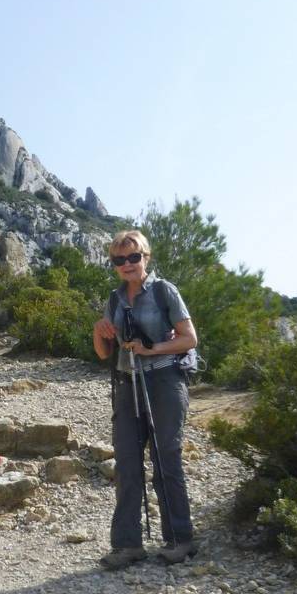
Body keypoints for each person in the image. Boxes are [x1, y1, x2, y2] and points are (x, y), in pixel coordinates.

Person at [93, 229, 198, 567]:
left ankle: (180, 539)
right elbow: (102, 352)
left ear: (146, 257)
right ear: (114, 264)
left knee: (166, 457)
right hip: (127, 382)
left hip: (165, 380)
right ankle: (127, 545)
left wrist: (151, 348)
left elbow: (189, 339)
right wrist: (99, 331)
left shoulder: (165, 291)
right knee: (126, 462)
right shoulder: (114, 298)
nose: (127, 263)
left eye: (133, 256)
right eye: (119, 259)